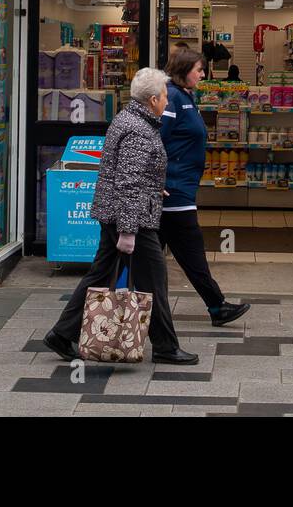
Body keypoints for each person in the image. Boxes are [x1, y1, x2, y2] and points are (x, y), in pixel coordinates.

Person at [43, 67, 198, 365]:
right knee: (154, 280)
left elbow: (130, 174)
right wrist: (128, 232)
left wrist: (154, 188)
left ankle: (62, 334)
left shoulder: (131, 119)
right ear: (152, 100)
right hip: (132, 219)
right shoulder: (139, 130)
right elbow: (127, 182)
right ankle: (165, 346)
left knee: (100, 274)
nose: (167, 101)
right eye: (165, 96)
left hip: (118, 212)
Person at [159, 47, 251, 327]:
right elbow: (156, 141)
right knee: (191, 251)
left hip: (178, 188)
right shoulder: (172, 98)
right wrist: (156, 180)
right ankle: (216, 306)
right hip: (173, 191)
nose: (203, 74)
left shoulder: (186, 95)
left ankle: (214, 306)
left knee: (157, 255)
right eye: (198, 70)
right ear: (183, 70)